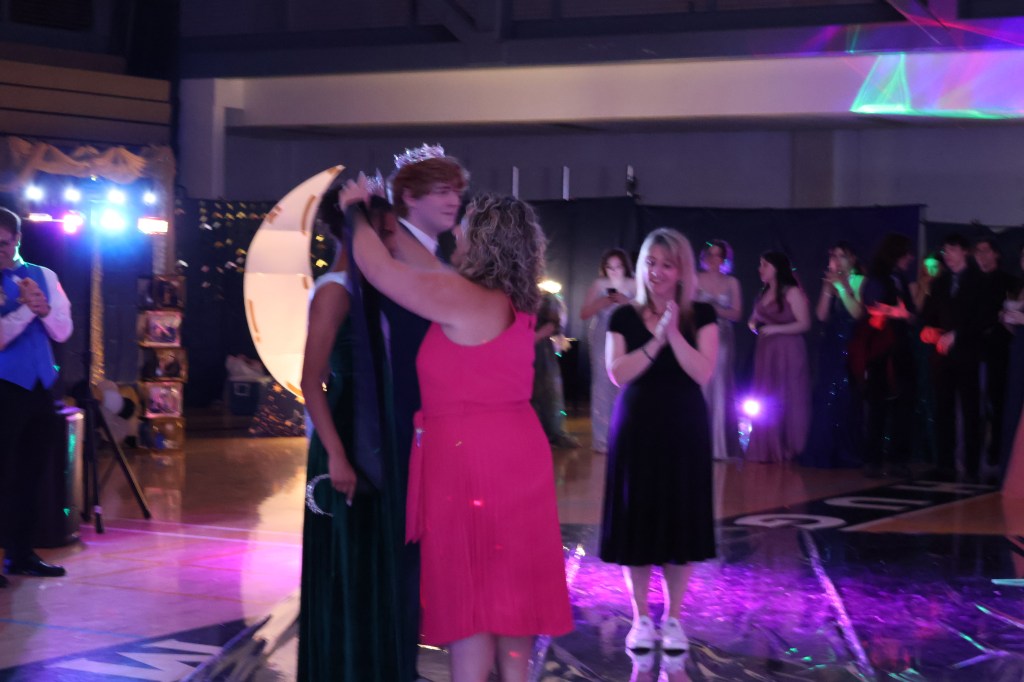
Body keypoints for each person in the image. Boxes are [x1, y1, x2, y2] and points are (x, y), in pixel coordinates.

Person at [342, 184, 573, 682]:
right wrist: (385, 215)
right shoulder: (506, 300)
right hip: (512, 453)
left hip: (473, 460)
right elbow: (421, 262)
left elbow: (380, 271)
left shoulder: (465, 298)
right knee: (509, 591)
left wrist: (354, 213)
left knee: (470, 593)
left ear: (484, 242)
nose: (457, 236)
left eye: (466, 229)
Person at [297, 195, 412, 680]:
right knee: (347, 568)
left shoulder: (378, 289)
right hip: (344, 437)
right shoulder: (335, 291)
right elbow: (310, 380)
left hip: (377, 434)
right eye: (382, 233)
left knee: (374, 567)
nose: (391, 242)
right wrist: (338, 456)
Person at [599, 228, 718, 653]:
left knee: (679, 520)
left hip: (684, 426)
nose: (658, 272)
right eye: (651, 263)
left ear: (682, 270)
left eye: (668, 265)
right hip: (637, 426)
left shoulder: (702, 314)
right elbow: (618, 372)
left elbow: (702, 372)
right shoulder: (623, 316)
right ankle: (640, 619)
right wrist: (655, 342)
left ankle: (673, 619)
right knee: (637, 520)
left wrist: (674, 333)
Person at [0, 206, 73, 588]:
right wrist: (28, 311)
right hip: (3, 386)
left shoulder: (44, 275)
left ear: (17, 241)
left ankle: (21, 553)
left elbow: (62, 331)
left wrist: (43, 310)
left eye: (3, 243)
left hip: (40, 388)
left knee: (30, 474)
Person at [921, 233, 987, 482]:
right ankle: (945, 464)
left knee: (970, 410)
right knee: (943, 409)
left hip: (968, 353)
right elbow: (929, 315)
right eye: (945, 251)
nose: (947, 255)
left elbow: (983, 317)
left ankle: (971, 466)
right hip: (942, 355)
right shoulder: (940, 282)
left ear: (964, 251)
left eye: (952, 250)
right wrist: (929, 329)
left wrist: (957, 334)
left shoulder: (979, 280)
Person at [858, 233, 917, 479]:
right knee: (878, 404)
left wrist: (908, 316)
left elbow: (911, 313)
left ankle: (897, 459)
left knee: (903, 404)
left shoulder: (900, 278)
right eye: (906, 253)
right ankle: (873, 459)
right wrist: (897, 313)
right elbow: (871, 306)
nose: (910, 258)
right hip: (881, 350)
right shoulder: (878, 277)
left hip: (901, 347)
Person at [801, 242, 864, 469]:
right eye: (834, 256)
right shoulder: (830, 280)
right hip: (830, 344)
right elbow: (820, 315)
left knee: (846, 393)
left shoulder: (859, 280)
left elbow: (857, 313)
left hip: (851, 343)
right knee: (826, 394)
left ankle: (846, 449)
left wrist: (843, 288)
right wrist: (828, 289)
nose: (837, 260)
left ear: (852, 259)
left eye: (842, 256)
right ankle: (823, 448)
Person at [746, 251, 811, 463]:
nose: (760, 269)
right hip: (767, 350)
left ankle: (788, 445)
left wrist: (775, 329)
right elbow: (753, 318)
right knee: (767, 394)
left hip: (788, 350)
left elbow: (804, 323)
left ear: (776, 268)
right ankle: (767, 445)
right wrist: (754, 325)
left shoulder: (791, 291)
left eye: (765, 265)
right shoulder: (763, 292)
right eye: (760, 264)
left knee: (787, 394)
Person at [580, 248, 636, 453]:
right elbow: (584, 313)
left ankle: (625, 436)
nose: (614, 271)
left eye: (618, 266)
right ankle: (603, 439)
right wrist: (602, 302)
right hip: (602, 333)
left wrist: (626, 301)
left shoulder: (634, 284)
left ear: (625, 267)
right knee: (602, 383)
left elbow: (647, 309)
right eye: (610, 267)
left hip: (627, 334)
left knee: (625, 382)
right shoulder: (599, 284)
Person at [696, 239, 743, 461]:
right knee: (701, 384)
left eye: (718, 255)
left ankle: (718, 444)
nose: (714, 259)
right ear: (704, 257)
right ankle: (698, 442)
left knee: (720, 385)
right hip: (699, 335)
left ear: (724, 259)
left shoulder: (732, 282)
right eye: (711, 254)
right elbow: (687, 308)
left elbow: (737, 314)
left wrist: (715, 310)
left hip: (722, 336)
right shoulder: (696, 278)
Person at [975, 237, 1018, 474]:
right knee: (974, 405)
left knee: (998, 402)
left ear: (996, 254)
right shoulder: (971, 281)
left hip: (1000, 351)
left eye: (985, 251)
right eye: (977, 251)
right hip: (974, 350)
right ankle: (976, 456)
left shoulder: (1009, 282)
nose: (981, 256)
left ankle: (997, 454)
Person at [532, 290, 580, 448]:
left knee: (548, 392)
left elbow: (557, 326)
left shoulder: (545, 301)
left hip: (543, 354)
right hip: (533, 356)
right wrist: (540, 334)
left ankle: (548, 431)